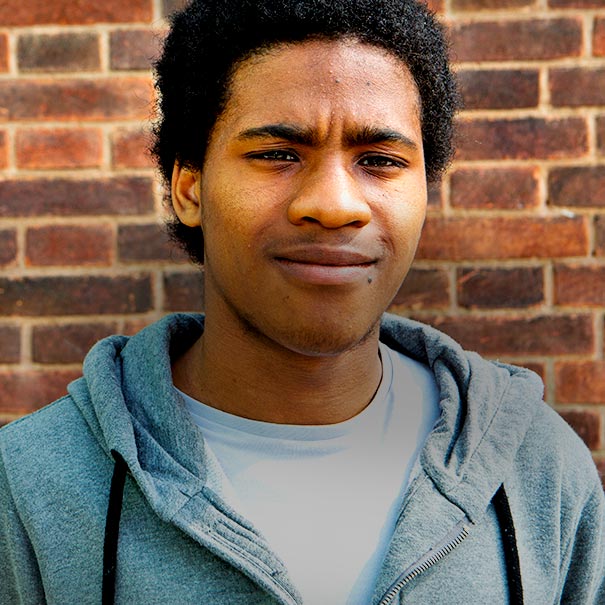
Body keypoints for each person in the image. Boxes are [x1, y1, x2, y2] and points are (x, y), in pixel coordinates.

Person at [1, 0, 603, 603]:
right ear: (189, 189)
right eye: (277, 154)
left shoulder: (538, 470)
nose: (335, 203)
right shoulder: (30, 486)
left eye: (380, 161)